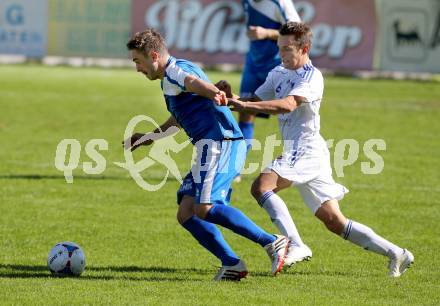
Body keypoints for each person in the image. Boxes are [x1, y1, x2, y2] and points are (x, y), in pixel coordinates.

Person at [222, 22, 414, 277]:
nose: (282, 54)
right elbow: (254, 103)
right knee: (334, 221)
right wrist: (229, 98)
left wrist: (241, 105)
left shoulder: (312, 76)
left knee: (261, 187)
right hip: (308, 152)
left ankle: (296, 244)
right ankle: (397, 253)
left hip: (306, 149)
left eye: (288, 49)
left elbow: (288, 105)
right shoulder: (278, 72)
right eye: (280, 48)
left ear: (305, 48)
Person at [123, 28, 289, 281]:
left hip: (221, 143)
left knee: (205, 208)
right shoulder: (173, 76)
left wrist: (213, 92)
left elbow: (192, 82)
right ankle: (232, 263)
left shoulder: (175, 72)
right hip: (208, 147)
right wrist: (148, 138)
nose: (137, 68)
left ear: (154, 55)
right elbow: (178, 119)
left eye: (138, 61)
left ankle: (271, 242)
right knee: (187, 212)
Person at [238, 0, 301, 161]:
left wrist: (266, 33)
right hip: (253, 62)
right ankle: (235, 168)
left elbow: (298, 33)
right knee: (246, 110)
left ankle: (299, 159)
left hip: (277, 64)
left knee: (290, 114)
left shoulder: (280, 3)